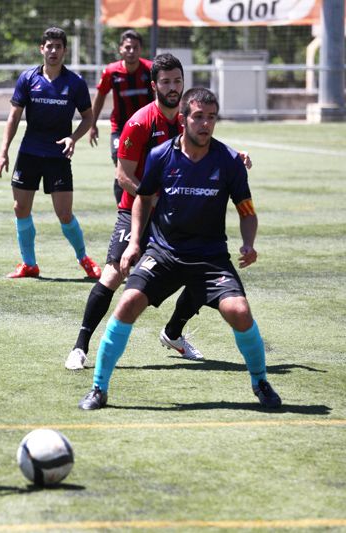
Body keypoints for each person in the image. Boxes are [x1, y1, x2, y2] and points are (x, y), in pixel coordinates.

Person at [78, 87, 281, 410]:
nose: (205, 124)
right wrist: (133, 242)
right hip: (163, 252)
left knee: (240, 312)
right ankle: (99, 388)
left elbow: (246, 210)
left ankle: (260, 381)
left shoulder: (229, 161)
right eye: (199, 117)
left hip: (210, 258)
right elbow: (142, 200)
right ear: (184, 119)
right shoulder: (161, 156)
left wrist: (249, 242)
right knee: (128, 302)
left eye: (211, 118)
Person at [65, 54, 203, 370]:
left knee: (204, 268)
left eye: (177, 81)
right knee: (113, 274)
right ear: (154, 85)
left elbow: (207, 152)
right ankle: (80, 346)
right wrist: (154, 199)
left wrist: (236, 158)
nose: (172, 88)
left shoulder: (188, 119)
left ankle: (173, 333)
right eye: (166, 82)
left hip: (174, 217)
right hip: (135, 213)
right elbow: (123, 176)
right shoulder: (140, 122)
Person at [0, 27, 101, 280]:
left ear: (64, 50)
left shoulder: (75, 83)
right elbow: (14, 116)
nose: (53, 51)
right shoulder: (28, 79)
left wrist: (73, 138)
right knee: (20, 208)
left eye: (58, 46)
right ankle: (29, 264)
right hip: (30, 153)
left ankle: (84, 259)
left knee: (64, 214)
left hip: (58, 156)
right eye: (49, 46)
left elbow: (88, 117)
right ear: (41, 49)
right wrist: (3, 151)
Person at [88, 29, 153, 204]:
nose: (131, 51)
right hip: (121, 129)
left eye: (135, 47)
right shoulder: (111, 72)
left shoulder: (150, 69)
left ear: (140, 49)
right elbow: (100, 96)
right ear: (120, 49)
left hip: (147, 128)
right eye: (128, 47)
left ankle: (146, 204)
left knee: (146, 166)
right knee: (121, 165)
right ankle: (122, 208)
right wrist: (92, 124)